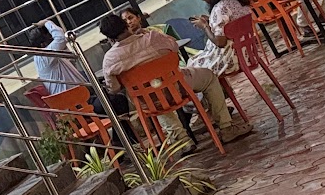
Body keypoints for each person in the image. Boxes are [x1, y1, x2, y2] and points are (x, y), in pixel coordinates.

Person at [97, 11, 249, 144]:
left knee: (152, 96)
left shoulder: (110, 59)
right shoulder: (153, 37)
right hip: (178, 86)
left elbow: (114, 88)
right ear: (126, 25)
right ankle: (226, 127)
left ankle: (182, 141)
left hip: (148, 99)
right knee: (209, 76)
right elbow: (175, 47)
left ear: (109, 37)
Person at [188, 0, 249, 77]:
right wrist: (210, 20)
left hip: (231, 59)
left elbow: (220, 42)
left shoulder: (219, 9)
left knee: (192, 72)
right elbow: (228, 24)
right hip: (248, 52)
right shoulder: (235, 1)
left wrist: (205, 26)